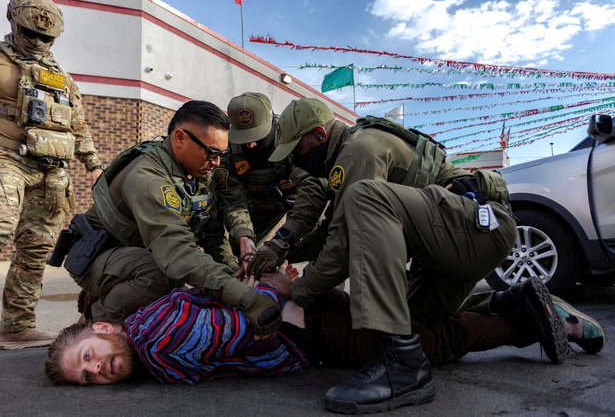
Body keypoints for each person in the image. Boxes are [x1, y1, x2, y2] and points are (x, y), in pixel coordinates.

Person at [247, 98, 520, 413]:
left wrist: (298, 289)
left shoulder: (359, 149)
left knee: (363, 197)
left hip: (477, 228)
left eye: (299, 150)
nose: (296, 160)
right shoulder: (349, 157)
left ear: (320, 136)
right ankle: (515, 304)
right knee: (415, 327)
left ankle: (401, 368)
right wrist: (279, 250)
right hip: (455, 245)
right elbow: (330, 232)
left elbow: (343, 242)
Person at [44, 271, 605, 386]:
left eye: (89, 356)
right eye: (88, 378)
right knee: (415, 321)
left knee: (429, 345)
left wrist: (273, 292)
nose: (98, 370)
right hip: (304, 309)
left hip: (307, 331)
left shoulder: (158, 344)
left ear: (100, 327)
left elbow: (239, 328)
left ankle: (530, 325)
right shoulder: (146, 319)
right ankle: (509, 302)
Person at [59, 100, 282, 340]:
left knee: (195, 284)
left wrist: (234, 276)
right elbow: (176, 252)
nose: (216, 162)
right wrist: (247, 299)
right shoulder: (147, 177)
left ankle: (117, 297)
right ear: (179, 138)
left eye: (221, 154)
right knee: (164, 275)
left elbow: (212, 235)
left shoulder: (197, 173)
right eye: (211, 153)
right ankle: (96, 317)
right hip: (96, 256)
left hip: (135, 253)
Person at [0, 0, 104, 350]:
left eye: (46, 38)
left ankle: (16, 327)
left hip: (51, 174)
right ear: (13, 23)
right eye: (29, 33)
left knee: (35, 251)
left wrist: (94, 166)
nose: (37, 42)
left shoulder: (62, 77)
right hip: (2, 159)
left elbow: (79, 126)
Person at [201, 92, 321, 269]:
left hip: (302, 202)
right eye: (244, 139)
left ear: (272, 123)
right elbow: (234, 204)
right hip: (259, 206)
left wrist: (282, 243)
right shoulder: (228, 154)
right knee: (243, 253)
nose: (250, 145)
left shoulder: (293, 137)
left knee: (319, 245)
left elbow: (314, 189)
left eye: (257, 137)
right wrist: (244, 237)